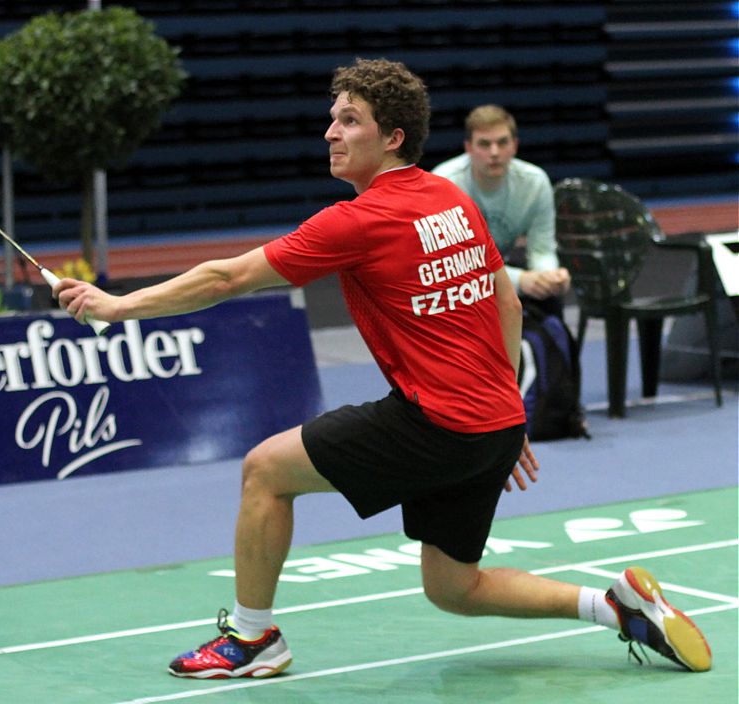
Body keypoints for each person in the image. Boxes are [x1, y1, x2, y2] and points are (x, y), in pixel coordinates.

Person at [54, 59, 711, 679]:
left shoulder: (360, 220)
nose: (330, 132)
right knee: (453, 587)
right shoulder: (454, 203)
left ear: (392, 137)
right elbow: (506, 303)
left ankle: (253, 638)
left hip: (440, 422)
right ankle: (615, 607)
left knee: (264, 472)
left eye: (349, 120)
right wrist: (506, 417)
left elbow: (229, 276)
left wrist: (117, 307)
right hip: (492, 419)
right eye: (334, 117)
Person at [432, 105, 570, 315]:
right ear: (468, 148)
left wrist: (549, 277)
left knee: (550, 302)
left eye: (502, 142)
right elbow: (455, 266)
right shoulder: (444, 185)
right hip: (452, 283)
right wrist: (520, 280)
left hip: (499, 271)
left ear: (514, 146)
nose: (494, 152)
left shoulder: (535, 183)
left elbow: (542, 250)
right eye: (484, 144)